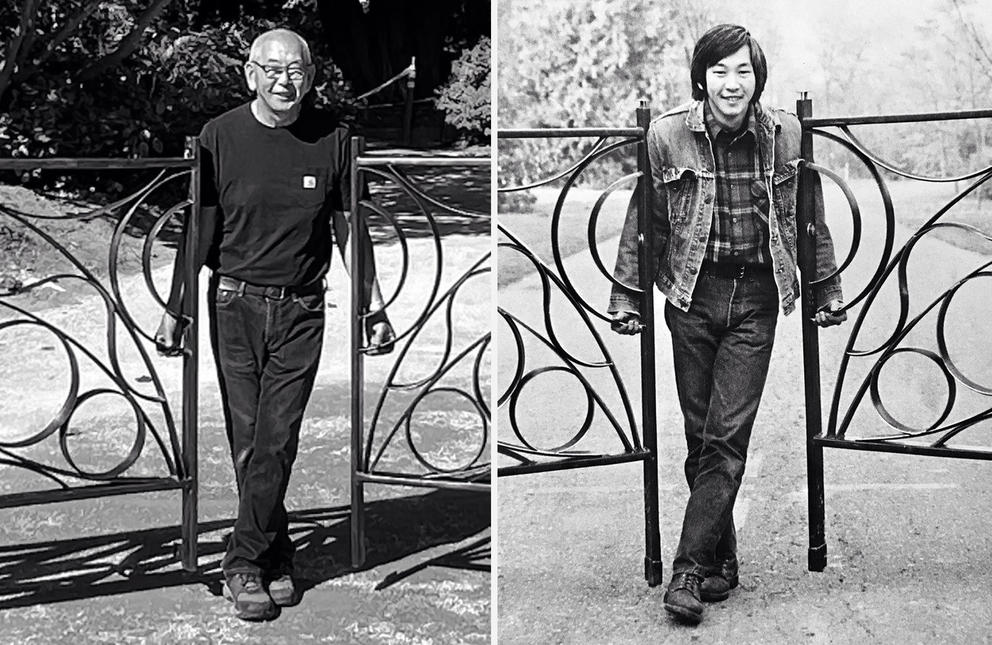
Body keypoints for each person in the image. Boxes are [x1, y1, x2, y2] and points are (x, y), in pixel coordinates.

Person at [608, 24, 846, 625]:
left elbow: (808, 215)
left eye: (743, 71)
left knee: (726, 436)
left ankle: (686, 571)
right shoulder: (666, 136)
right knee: (699, 437)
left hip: (755, 301)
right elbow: (647, 222)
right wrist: (628, 300)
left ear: (757, 78)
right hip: (690, 297)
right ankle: (723, 564)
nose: (731, 83)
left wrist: (825, 290)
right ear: (701, 77)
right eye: (720, 71)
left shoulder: (787, 134)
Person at [155, 28, 394, 621]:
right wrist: (177, 307)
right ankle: (273, 554)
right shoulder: (219, 136)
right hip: (233, 303)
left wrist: (373, 304)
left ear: (310, 78)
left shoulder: (332, 139)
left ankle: (241, 561)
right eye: (274, 69)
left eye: (298, 71)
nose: (287, 80)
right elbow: (200, 229)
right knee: (248, 440)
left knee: (277, 436)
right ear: (251, 74)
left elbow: (348, 231)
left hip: (302, 308)